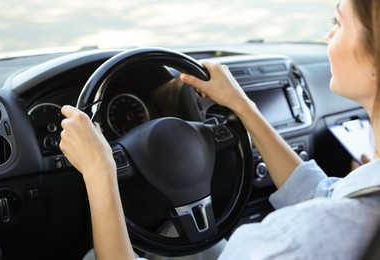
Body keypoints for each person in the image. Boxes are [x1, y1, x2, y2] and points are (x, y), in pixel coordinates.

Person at [59, 0, 380, 259]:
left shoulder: (291, 241)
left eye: (337, 23)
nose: (327, 36)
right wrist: (242, 106)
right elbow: (321, 195)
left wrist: (100, 170)